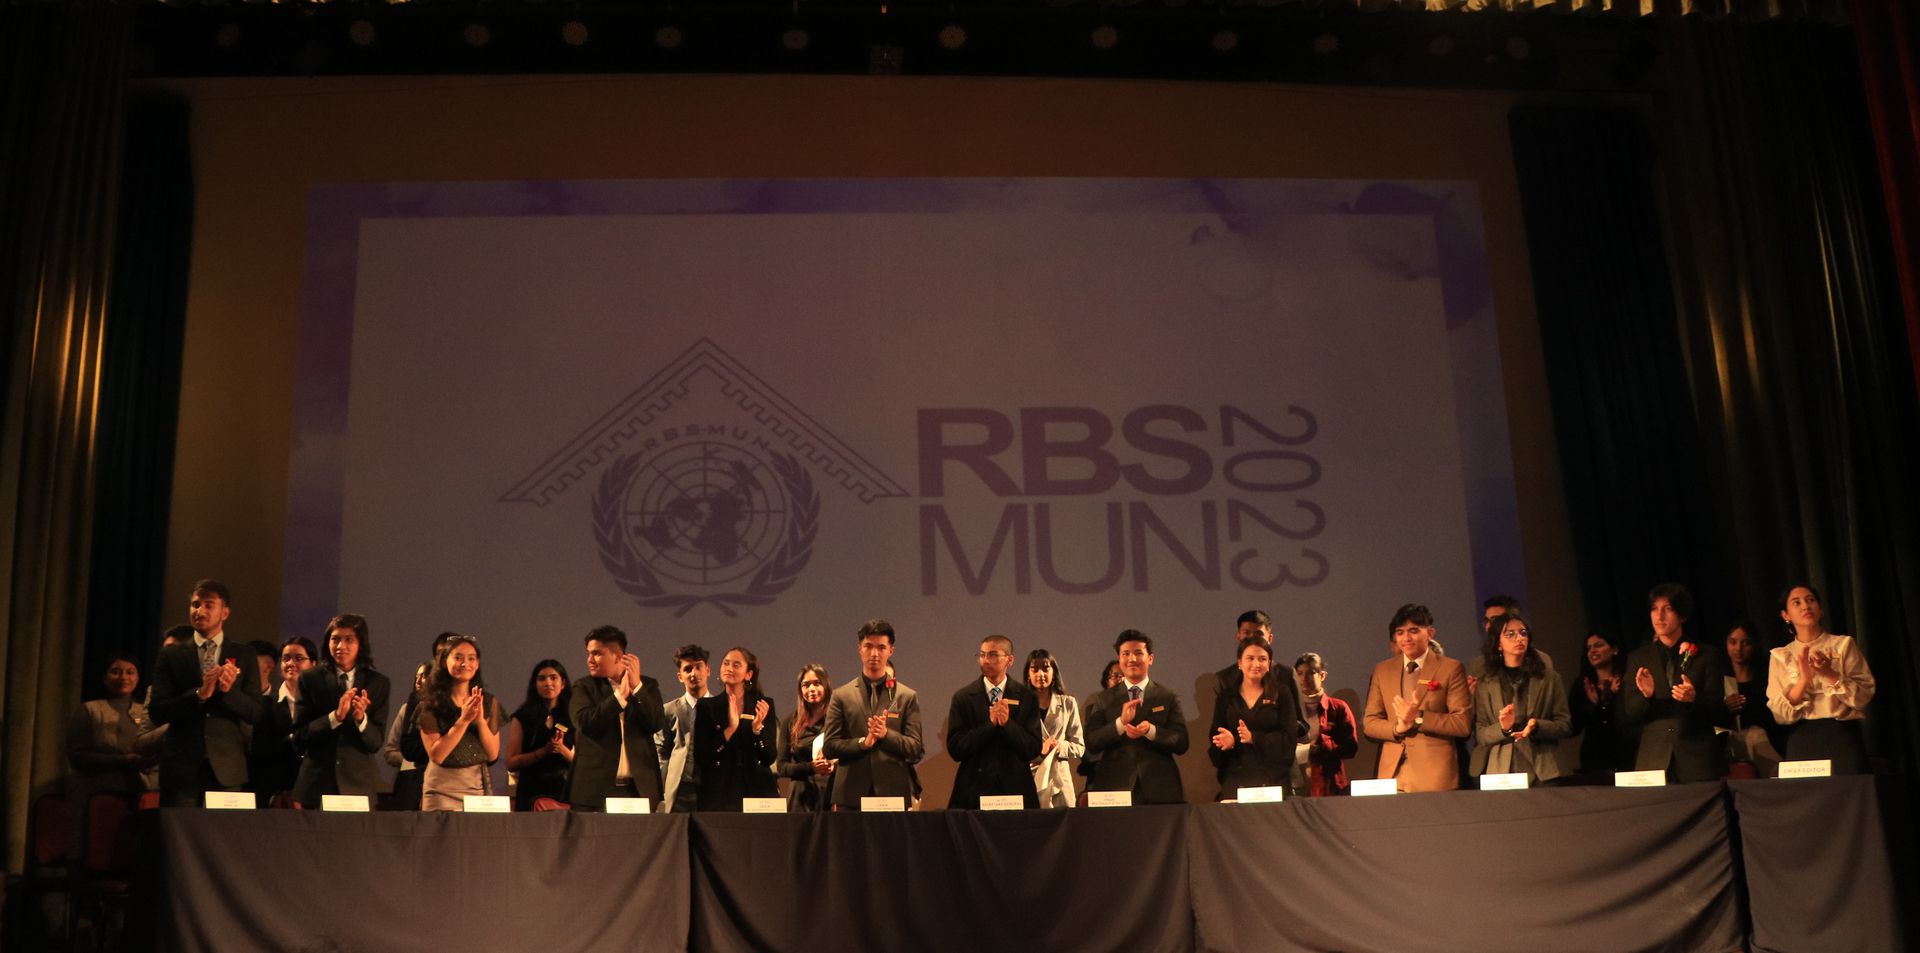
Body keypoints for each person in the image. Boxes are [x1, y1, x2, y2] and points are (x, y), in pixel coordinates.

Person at [149, 579, 265, 806]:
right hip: (181, 770)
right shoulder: (172, 654)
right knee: (180, 829)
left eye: (208, 605)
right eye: (195, 605)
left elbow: (256, 713)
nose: (200, 611)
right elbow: (157, 711)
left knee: (223, 830)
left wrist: (228, 692)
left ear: (225, 612)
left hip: (227, 769)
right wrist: (198, 695)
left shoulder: (244, 653)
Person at [1621, 583, 1731, 783]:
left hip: (1697, 757)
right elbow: (1630, 713)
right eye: (1654, 609)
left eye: (1668, 609)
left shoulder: (1707, 655)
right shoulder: (1638, 657)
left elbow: (1718, 710)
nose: (1659, 616)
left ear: (1682, 615)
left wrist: (1693, 699)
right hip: (1654, 756)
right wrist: (1648, 696)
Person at [1766, 584, 1876, 774]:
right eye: (1797, 602)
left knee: (1847, 790)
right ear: (1786, 615)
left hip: (1841, 735)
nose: (1805, 606)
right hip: (1801, 739)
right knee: (1809, 793)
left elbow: (1863, 696)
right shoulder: (1781, 656)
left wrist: (1829, 673)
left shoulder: (1843, 645)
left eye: (1811, 600)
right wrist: (1803, 681)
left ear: (1821, 609)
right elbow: (1779, 714)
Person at [1362, 604, 1471, 792]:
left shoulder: (1450, 668)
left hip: (1434, 774)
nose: (1406, 638)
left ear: (1430, 633)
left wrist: (1419, 717)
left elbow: (1462, 724)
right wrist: (1398, 728)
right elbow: (1370, 723)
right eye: (1400, 632)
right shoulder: (1383, 670)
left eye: (1413, 631)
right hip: (1392, 774)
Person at [822, 619, 925, 810]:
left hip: (892, 794)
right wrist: (862, 743)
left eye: (881, 647)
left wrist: (886, 735)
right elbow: (829, 747)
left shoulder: (906, 696)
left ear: (890, 651)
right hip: (850, 795)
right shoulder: (841, 695)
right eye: (868, 646)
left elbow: (916, 749)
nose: (874, 653)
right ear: (859, 649)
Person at [293, 613, 391, 808]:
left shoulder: (378, 683)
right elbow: (299, 737)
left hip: (357, 786)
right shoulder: (310, 678)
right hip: (317, 785)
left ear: (361, 644)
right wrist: (334, 718)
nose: (340, 646)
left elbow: (375, 743)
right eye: (335, 639)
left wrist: (361, 719)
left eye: (349, 639)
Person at [566, 625, 666, 810]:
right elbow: (584, 722)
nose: (590, 660)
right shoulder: (584, 686)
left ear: (618, 656)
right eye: (589, 653)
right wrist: (619, 697)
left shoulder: (647, 685)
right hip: (594, 791)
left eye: (597, 653)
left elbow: (655, 723)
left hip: (638, 789)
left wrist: (637, 688)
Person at [1084, 630, 1189, 804]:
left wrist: (1151, 731)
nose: (1132, 659)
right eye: (1126, 654)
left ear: (1150, 658)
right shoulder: (1103, 699)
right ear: (1119, 659)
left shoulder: (1166, 696)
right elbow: (1091, 742)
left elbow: (1182, 742)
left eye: (1138, 653)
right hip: (1115, 787)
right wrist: (1120, 724)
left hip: (1160, 788)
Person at [1470, 612, 1571, 785]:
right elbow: (1480, 733)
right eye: (1510, 634)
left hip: (1544, 770)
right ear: (1498, 644)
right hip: (1502, 770)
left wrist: (1537, 725)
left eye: (1523, 633)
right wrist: (1503, 728)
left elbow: (1564, 725)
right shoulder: (1486, 683)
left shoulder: (1549, 678)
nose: (1519, 638)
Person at [946, 635, 1042, 810]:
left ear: (1009, 660)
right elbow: (956, 749)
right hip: (972, 792)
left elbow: (1033, 749)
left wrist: (1007, 725)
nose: (985, 660)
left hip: (1015, 790)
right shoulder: (963, 697)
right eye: (982, 655)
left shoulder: (1027, 697)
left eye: (993, 655)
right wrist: (989, 725)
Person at [417, 634, 507, 810]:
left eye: (471, 658)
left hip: (476, 787)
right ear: (444, 662)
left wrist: (480, 721)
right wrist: (464, 720)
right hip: (440, 789)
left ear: (477, 664)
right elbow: (437, 755)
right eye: (458, 658)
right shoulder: (430, 704)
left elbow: (492, 755)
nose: (465, 664)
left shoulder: (488, 702)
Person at [1208, 636, 1295, 799]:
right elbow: (1215, 740)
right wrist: (1227, 743)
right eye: (1250, 658)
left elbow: (1289, 741)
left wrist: (1254, 738)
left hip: (1273, 781)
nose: (1256, 664)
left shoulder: (1281, 693)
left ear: (1269, 664)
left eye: (1262, 659)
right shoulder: (1226, 697)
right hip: (1236, 779)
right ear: (1239, 663)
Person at [693, 647, 779, 811]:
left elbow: (769, 757)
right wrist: (730, 729)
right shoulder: (707, 706)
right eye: (726, 663)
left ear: (748, 674)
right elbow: (702, 756)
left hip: (757, 790)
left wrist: (757, 729)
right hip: (719, 792)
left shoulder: (763, 705)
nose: (729, 668)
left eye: (736, 665)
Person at [67, 654, 159, 801]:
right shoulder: (90, 710)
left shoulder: (146, 711)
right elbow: (77, 758)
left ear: (138, 678)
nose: (123, 677)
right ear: (104, 678)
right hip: (98, 792)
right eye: (116, 672)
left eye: (130, 672)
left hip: (142, 791)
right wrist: (123, 760)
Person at [249, 635, 317, 804]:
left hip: (313, 791)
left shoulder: (320, 704)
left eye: (299, 658)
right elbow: (259, 751)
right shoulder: (266, 703)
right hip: (276, 793)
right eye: (286, 658)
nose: (291, 663)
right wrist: (295, 738)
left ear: (313, 664)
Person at [505, 659, 574, 811]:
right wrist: (543, 751)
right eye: (542, 678)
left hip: (564, 791)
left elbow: (582, 764)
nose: (548, 683)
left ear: (563, 683)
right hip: (531, 790)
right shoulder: (522, 716)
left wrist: (562, 749)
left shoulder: (573, 716)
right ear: (534, 684)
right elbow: (511, 763)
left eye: (553, 678)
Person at [1569, 631, 1635, 779]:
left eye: (1598, 645)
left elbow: (1633, 718)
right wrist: (1593, 706)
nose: (1592, 651)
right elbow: (1574, 727)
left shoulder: (1628, 679)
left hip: (1627, 754)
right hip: (1594, 758)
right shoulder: (1582, 685)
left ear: (1614, 649)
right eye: (1589, 648)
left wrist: (1613, 698)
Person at [1024, 649, 1084, 808]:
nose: (1040, 674)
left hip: (1060, 779)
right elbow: (1017, 748)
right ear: (1028, 674)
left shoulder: (1068, 703)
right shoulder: (1021, 705)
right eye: (1035, 669)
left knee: (1065, 822)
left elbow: (1080, 747)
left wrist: (1059, 746)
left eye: (1045, 668)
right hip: (1031, 777)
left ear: (1054, 672)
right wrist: (1039, 750)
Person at [1292, 652, 1357, 796]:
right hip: (1296, 784)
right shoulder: (1289, 708)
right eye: (1300, 673)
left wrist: (1323, 748)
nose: (1304, 678)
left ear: (1322, 675)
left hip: (1330, 784)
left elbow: (1351, 748)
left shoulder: (1338, 708)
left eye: (1311, 673)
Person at [1723, 622, 1781, 777]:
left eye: (1745, 643)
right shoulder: (1719, 678)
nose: (1738, 648)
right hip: (1730, 744)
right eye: (1733, 642)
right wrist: (1725, 707)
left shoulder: (1767, 678)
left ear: (1755, 646)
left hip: (1765, 741)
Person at [775, 664, 835, 811]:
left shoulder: (837, 720)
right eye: (806, 685)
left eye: (817, 683)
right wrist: (811, 767)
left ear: (826, 686)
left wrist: (833, 765)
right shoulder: (790, 721)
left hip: (830, 793)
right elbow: (782, 767)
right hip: (799, 796)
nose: (811, 689)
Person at [659, 644, 710, 813]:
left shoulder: (721, 708)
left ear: (708, 670)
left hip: (711, 787)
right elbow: (661, 751)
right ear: (680, 676)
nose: (694, 673)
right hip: (680, 788)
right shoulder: (668, 710)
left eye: (698, 667)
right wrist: (665, 786)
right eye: (688, 669)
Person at [383, 662, 432, 810]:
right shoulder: (407, 709)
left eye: (424, 676)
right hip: (411, 781)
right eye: (416, 677)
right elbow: (390, 751)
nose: (418, 681)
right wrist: (411, 760)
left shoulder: (444, 710)